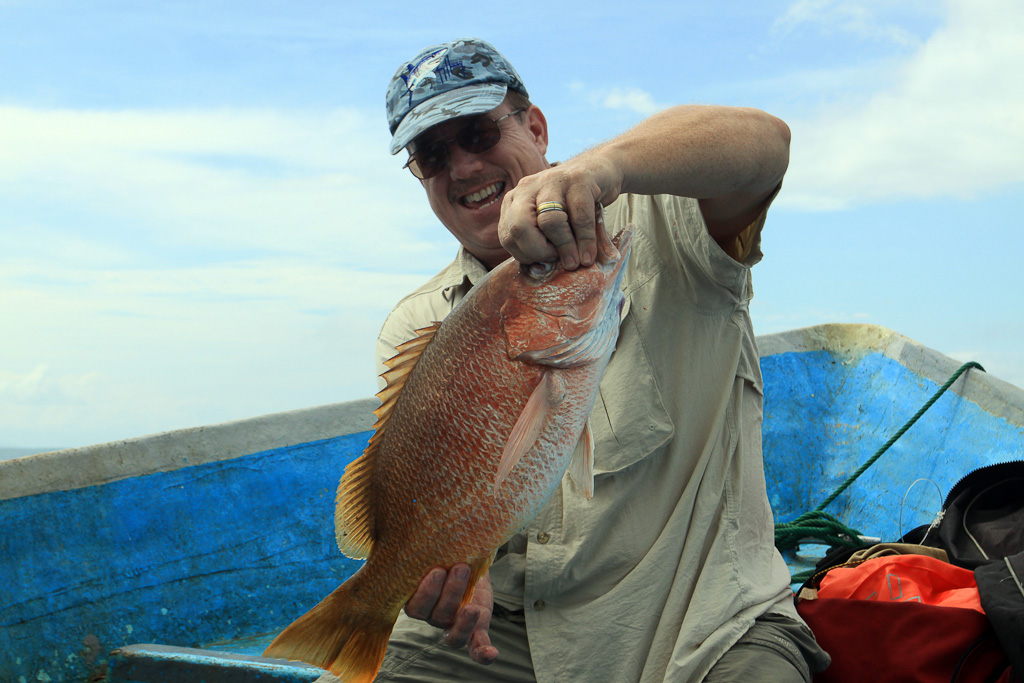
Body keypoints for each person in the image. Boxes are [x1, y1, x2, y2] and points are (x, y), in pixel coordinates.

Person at [374, 38, 831, 682]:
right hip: (505, 632)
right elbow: (436, 495)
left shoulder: (663, 220)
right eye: (432, 155)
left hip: (699, 625)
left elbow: (765, 145)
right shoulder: (418, 324)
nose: (464, 166)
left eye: (479, 132)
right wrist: (454, 571)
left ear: (535, 127)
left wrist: (600, 170)